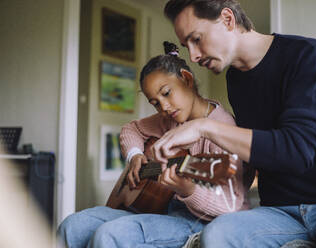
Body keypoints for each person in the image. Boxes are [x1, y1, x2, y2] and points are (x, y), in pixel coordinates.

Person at [148, 0, 316, 247]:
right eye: (186, 46)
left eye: (197, 39)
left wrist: (204, 127)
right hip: (279, 212)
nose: (193, 55)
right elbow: (255, 152)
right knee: (218, 233)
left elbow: (296, 152)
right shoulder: (235, 79)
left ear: (227, 19)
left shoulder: (308, 54)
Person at [57, 41, 254, 248]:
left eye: (167, 93)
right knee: (72, 225)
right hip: (160, 209)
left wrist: (188, 190)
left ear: (186, 80)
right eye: (155, 103)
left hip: (199, 221)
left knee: (111, 235)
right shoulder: (170, 119)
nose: (164, 107)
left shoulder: (223, 128)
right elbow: (131, 129)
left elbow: (230, 203)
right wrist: (134, 156)